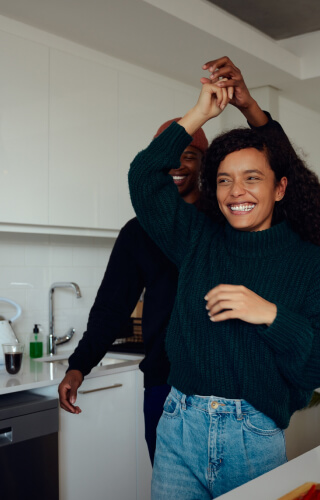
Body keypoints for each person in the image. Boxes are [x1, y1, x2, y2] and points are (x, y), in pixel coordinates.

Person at [58, 56, 276, 466]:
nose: (178, 164)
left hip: (236, 386)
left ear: (206, 166)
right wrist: (78, 366)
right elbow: (111, 306)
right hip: (164, 383)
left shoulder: (230, 220)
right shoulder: (138, 232)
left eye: (191, 156)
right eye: (172, 156)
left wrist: (250, 110)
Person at [128, 62, 320, 498]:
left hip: (252, 436)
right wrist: (198, 114)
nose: (237, 192)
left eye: (252, 178)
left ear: (281, 188)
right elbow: (143, 179)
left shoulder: (309, 262)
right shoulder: (198, 238)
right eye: (224, 181)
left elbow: (315, 366)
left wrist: (268, 314)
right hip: (178, 424)